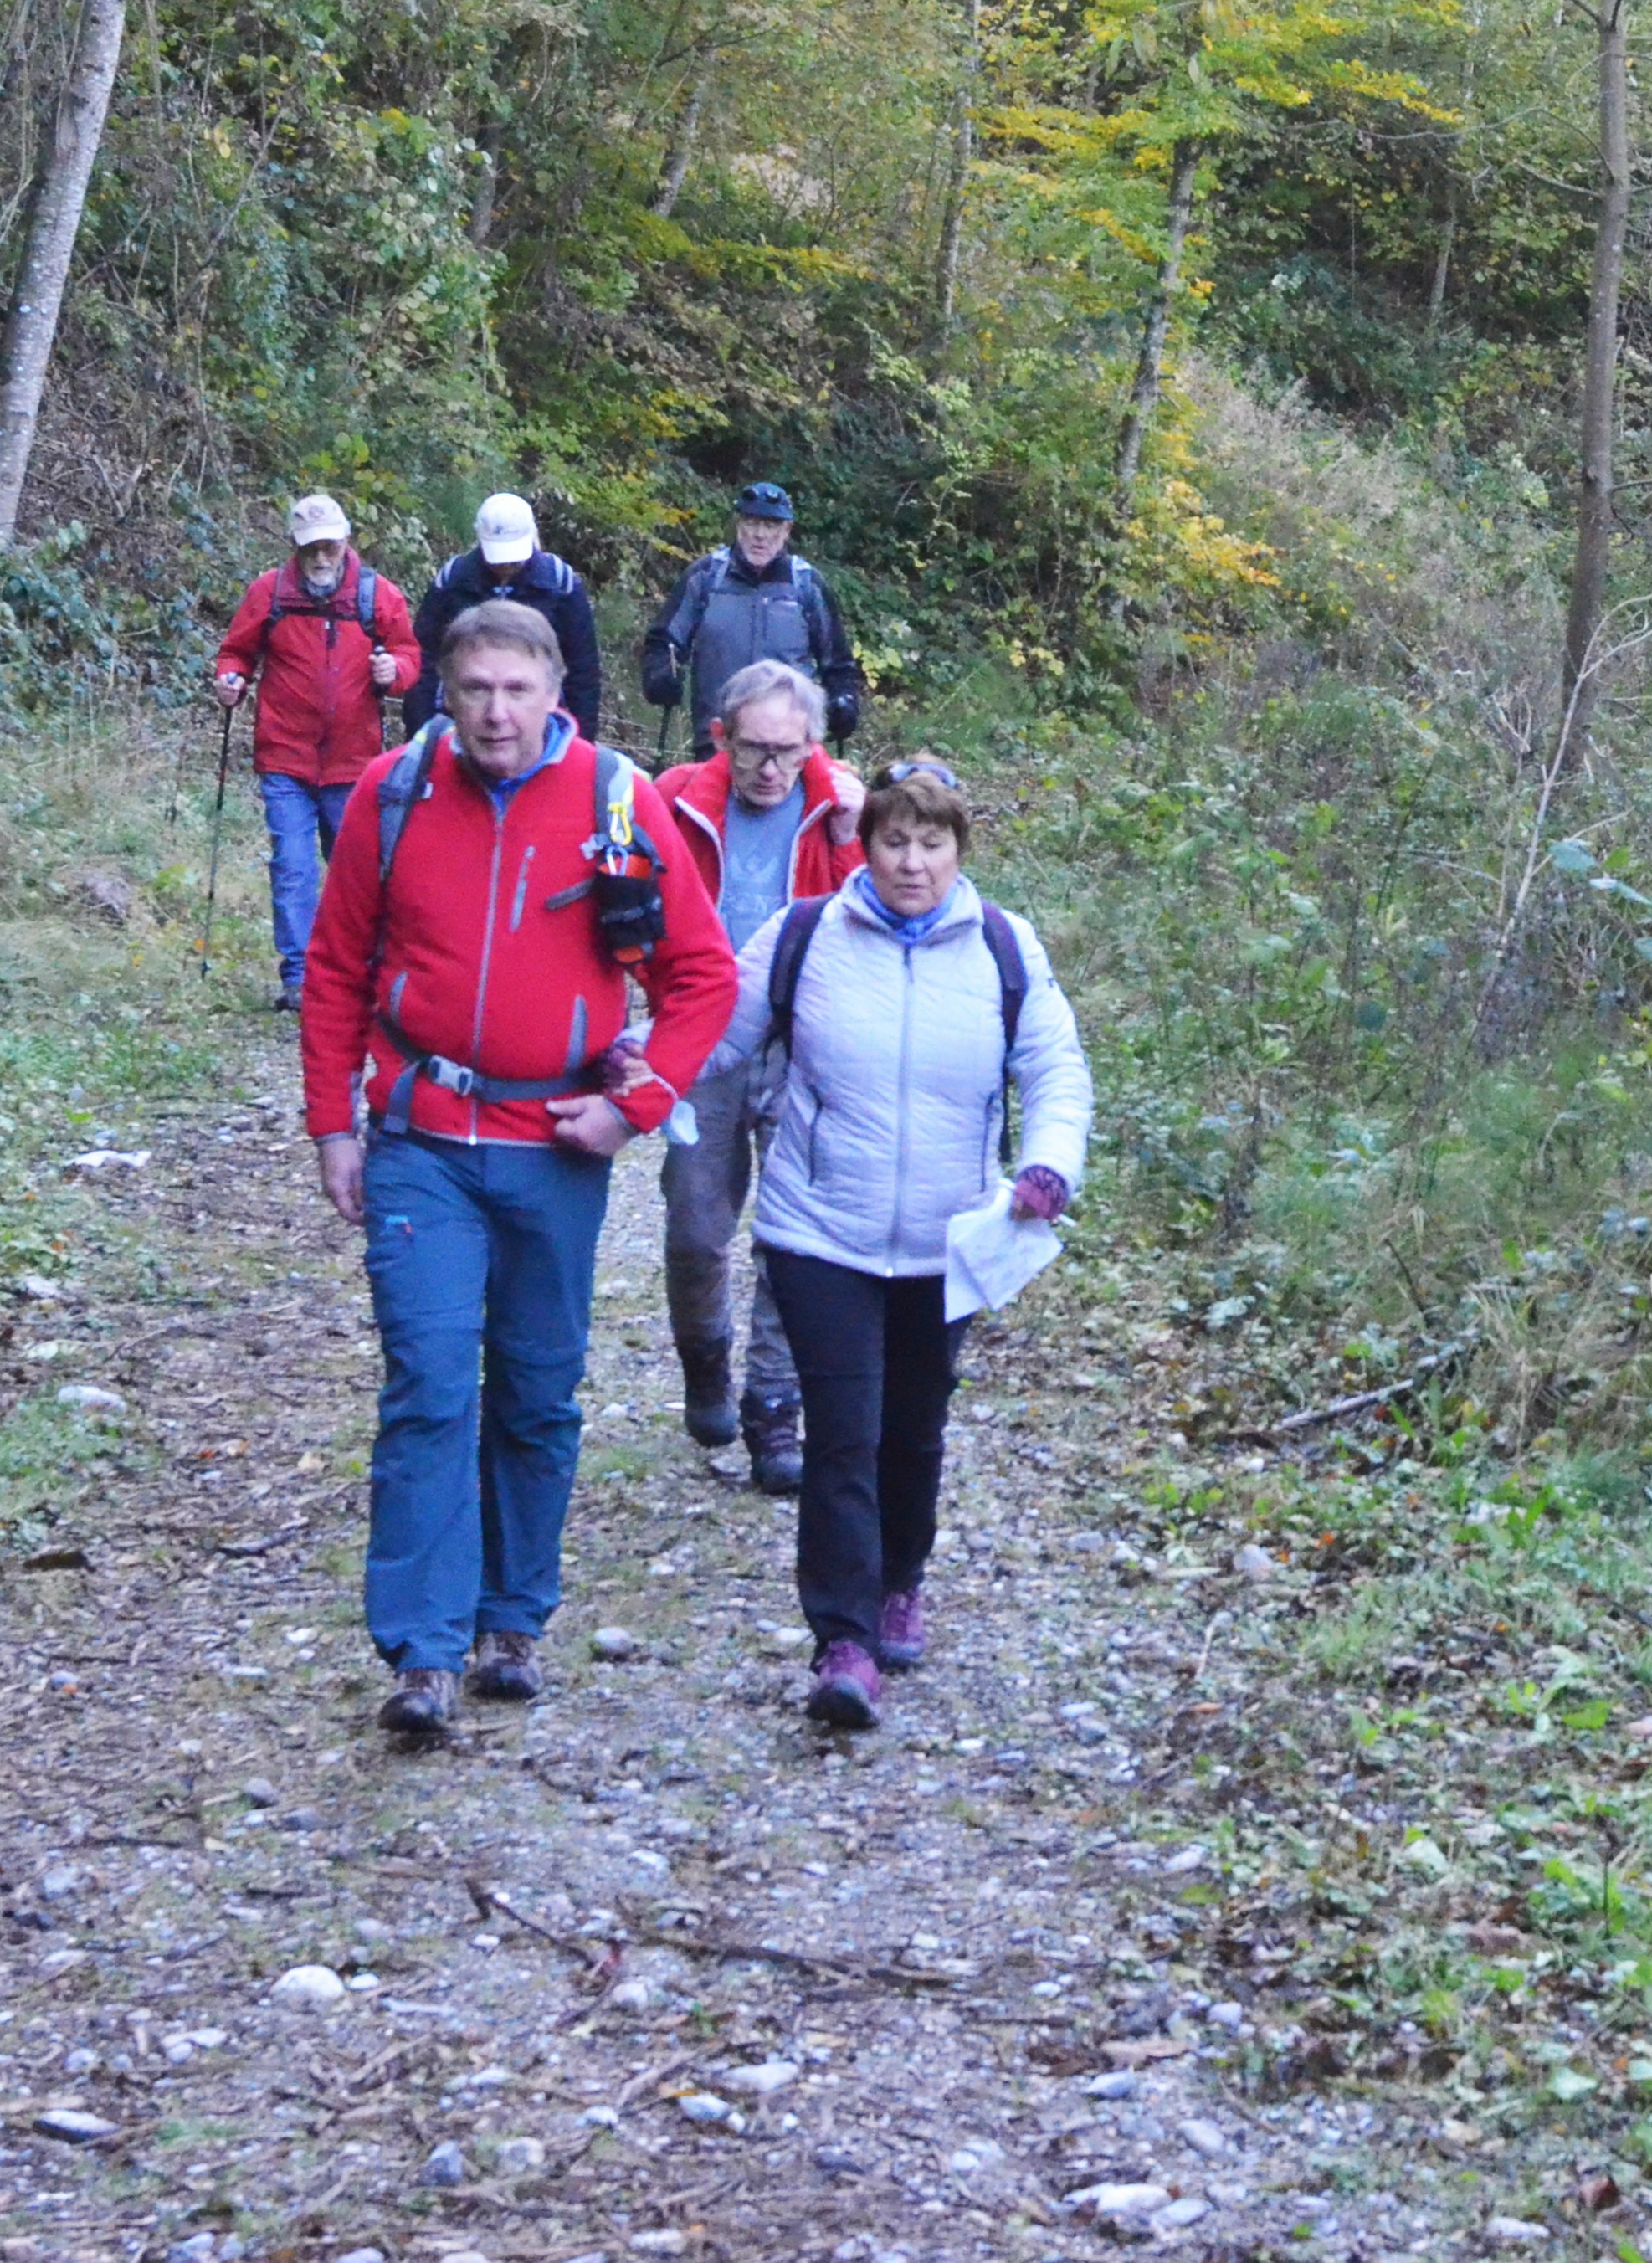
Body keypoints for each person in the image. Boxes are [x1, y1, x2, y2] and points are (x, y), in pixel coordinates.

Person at [297, 599, 741, 1734]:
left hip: (555, 1147)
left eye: (517, 689)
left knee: (539, 1391)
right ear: (443, 690)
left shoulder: (616, 799)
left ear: (555, 693)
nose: (497, 711)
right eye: (476, 688)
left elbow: (702, 976)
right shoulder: (393, 794)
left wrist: (635, 1107)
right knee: (430, 1381)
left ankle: (513, 1621)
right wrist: (333, 1123)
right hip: (424, 1140)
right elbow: (337, 964)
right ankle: (423, 1650)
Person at [704, 756, 1089, 1729]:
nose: (912, 862)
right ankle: (843, 1639)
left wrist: (1048, 1165)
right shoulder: (803, 936)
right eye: (894, 840)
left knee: (914, 1427)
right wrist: (621, 1064)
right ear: (864, 844)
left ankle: (899, 1580)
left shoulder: (1004, 944)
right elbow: (713, 1034)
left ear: (960, 849)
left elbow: (1054, 1066)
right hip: (819, 1230)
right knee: (843, 1431)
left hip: (947, 1237)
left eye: (932, 842)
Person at [649, 659, 866, 1486]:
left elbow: (866, 921)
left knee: (793, 1236)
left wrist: (849, 837)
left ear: (813, 744)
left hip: (801, 1044)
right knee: (696, 1227)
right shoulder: (674, 800)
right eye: (754, 749)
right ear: (722, 738)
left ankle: (775, 1411)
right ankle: (705, 1360)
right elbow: (629, 907)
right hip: (703, 1037)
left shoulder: (839, 808)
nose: (772, 768)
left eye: (789, 750)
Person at [214, 495, 418, 1010]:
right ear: (294, 546)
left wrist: (395, 672)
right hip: (285, 757)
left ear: (346, 542)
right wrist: (230, 679)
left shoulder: (377, 595)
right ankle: (300, 978)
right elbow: (237, 651)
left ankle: (359, 968)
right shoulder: (270, 592)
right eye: (310, 548)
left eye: (329, 546)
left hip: (354, 762)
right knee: (293, 866)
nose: (321, 557)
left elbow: (410, 655)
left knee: (356, 871)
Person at [639, 482, 862, 749]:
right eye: (752, 523)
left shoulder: (807, 585)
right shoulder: (706, 577)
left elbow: (838, 664)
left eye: (771, 525)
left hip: (789, 746)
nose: (760, 535)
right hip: (719, 740)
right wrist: (660, 676)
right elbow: (664, 642)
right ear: (738, 524)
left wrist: (844, 701)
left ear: (786, 530)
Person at [413, 488, 603, 740]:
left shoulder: (559, 583)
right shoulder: (454, 580)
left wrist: (581, 740)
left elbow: (583, 669)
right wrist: (420, 732)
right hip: (459, 720)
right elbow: (423, 659)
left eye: (513, 559)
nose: (506, 566)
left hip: (541, 723)